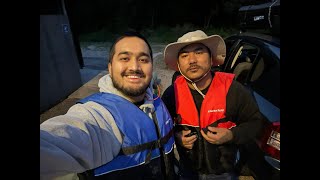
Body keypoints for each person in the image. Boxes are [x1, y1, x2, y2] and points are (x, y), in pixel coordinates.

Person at [40, 31, 176, 180]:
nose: (135, 67)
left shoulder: (154, 98)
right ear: (110, 68)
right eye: (124, 58)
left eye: (143, 60)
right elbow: (59, 139)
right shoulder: (97, 116)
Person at [161, 30, 264, 180]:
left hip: (225, 173)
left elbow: (256, 123)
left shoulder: (233, 89)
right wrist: (176, 136)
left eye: (199, 52)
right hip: (188, 172)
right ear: (178, 64)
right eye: (184, 55)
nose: (192, 60)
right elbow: (162, 130)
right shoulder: (172, 93)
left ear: (211, 59)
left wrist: (231, 135)